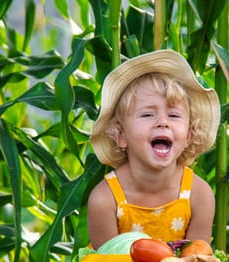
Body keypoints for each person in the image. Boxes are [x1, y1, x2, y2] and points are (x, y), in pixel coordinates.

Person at [87, 50, 220, 250]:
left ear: (189, 136)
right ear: (121, 135)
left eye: (174, 115)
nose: (163, 122)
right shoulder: (105, 200)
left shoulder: (198, 195)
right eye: (148, 114)